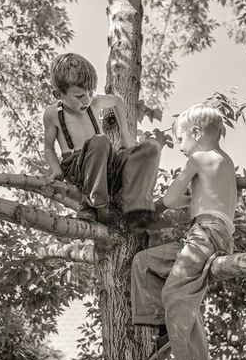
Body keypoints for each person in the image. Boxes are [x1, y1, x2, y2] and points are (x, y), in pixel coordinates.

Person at [131, 104, 237, 360]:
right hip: (206, 234)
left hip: (205, 233)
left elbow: (172, 199)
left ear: (195, 134)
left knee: (175, 294)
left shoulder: (198, 158)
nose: (179, 146)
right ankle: (166, 329)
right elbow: (208, 198)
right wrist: (193, 199)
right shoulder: (225, 162)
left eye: (180, 139)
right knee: (144, 262)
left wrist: (152, 210)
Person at [43, 53, 162, 230]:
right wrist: (56, 171)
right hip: (78, 168)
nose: (87, 99)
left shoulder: (95, 103)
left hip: (108, 169)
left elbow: (118, 102)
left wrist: (125, 136)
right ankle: (93, 204)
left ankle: (137, 208)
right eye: (80, 96)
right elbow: (49, 148)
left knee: (151, 147)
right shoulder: (52, 114)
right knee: (99, 140)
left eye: (90, 93)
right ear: (59, 94)